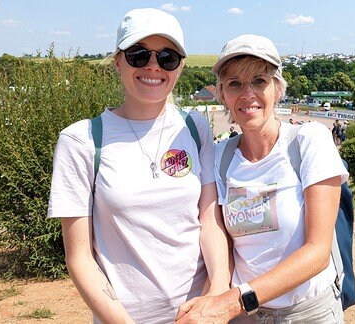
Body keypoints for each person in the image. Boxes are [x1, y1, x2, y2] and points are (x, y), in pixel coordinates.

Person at [47, 8, 230, 323]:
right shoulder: (81, 141)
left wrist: (217, 293)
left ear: (180, 66)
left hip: (198, 315)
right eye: (139, 55)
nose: (153, 67)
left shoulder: (195, 127)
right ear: (118, 61)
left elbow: (209, 220)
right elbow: (79, 258)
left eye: (167, 58)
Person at [176, 34, 348, 323]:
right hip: (246, 316)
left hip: (307, 313)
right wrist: (217, 291)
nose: (247, 94)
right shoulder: (220, 157)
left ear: (277, 89)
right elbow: (217, 233)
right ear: (222, 94)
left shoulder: (308, 141)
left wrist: (232, 302)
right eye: (235, 84)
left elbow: (317, 252)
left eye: (259, 81)